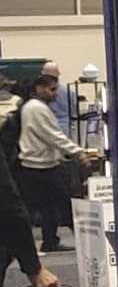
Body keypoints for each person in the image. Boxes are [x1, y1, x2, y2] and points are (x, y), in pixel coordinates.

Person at [8, 73, 96, 250]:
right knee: (62, 204)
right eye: (52, 89)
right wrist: (78, 152)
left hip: (38, 165)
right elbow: (53, 136)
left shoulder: (35, 107)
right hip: (41, 167)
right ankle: (87, 241)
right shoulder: (36, 109)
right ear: (38, 89)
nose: (55, 94)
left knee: (48, 207)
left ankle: (50, 242)